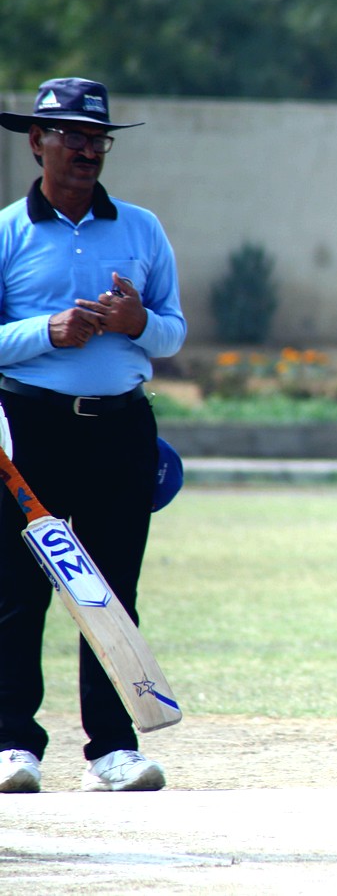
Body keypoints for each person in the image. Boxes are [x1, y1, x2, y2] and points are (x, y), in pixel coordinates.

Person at [0, 77, 187, 794]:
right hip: (29, 427)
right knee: (17, 591)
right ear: (36, 141)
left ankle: (111, 750)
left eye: (97, 139)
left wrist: (139, 322)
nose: (86, 151)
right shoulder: (8, 232)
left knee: (111, 590)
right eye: (71, 136)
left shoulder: (141, 228)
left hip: (119, 427)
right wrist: (46, 330)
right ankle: (13, 743)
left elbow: (173, 331)